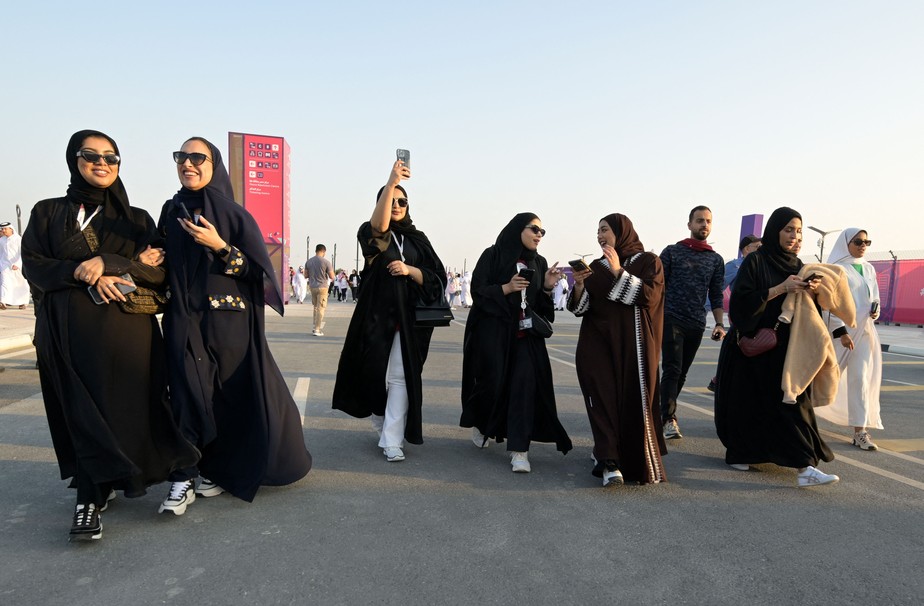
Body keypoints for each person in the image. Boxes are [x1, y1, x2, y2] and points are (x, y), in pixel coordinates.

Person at [21, 130, 198, 540]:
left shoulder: (136, 220)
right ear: (74, 159)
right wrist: (82, 275)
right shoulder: (47, 212)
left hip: (126, 335)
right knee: (80, 413)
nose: (102, 163)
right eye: (90, 155)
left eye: (111, 157)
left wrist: (113, 262)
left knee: (135, 409)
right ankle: (89, 496)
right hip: (65, 334)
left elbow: (159, 274)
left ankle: (162, 473)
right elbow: (35, 266)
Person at [157, 136, 311, 512]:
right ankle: (183, 477)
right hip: (183, 318)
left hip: (229, 324)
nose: (188, 164)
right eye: (182, 157)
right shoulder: (170, 210)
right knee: (185, 393)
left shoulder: (233, 214)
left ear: (214, 164)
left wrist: (220, 246)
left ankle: (217, 468)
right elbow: (161, 260)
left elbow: (257, 272)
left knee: (225, 397)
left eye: (197, 157)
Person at [714, 207, 839, 487]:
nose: (795, 237)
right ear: (774, 231)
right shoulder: (756, 261)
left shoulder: (798, 266)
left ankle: (805, 466)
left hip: (789, 349)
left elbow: (809, 310)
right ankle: (745, 451)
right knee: (750, 406)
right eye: (788, 230)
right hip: (755, 348)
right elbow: (740, 305)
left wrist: (812, 290)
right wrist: (782, 288)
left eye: (799, 231)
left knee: (792, 403)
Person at [332, 157, 446, 462]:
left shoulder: (418, 240)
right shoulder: (369, 232)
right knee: (373, 372)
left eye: (402, 201)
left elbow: (436, 278)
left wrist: (411, 271)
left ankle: (393, 439)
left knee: (400, 375)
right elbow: (378, 229)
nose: (397, 204)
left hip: (410, 320)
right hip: (375, 316)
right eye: (390, 199)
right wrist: (392, 179)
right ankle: (381, 416)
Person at [460, 213, 572, 473]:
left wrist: (545, 287)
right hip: (494, 336)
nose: (539, 235)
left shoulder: (540, 262)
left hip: (526, 338)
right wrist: (506, 288)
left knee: (524, 386)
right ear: (517, 229)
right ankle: (482, 422)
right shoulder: (494, 255)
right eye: (534, 229)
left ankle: (519, 450)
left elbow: (542, 308)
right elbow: (478, 291)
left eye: (543, 232)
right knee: (492, 385)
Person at [568, 214, 667, 486]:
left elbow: (650, 297)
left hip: (633, 347)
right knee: (601, 400)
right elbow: (580, 308)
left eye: (605, 230)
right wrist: (578, 284)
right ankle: (609, 461)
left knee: (630, 401)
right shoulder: (595, 267)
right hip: (595, 346)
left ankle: (622, 455)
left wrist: (617, 271)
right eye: (597, 231)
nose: (600, 236)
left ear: (622, 232)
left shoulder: (649, 261)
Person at [658, 206, 725, 439]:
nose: (704, 225)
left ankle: (659, 411)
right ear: (689, 225)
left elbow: (716, 295)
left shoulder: (715, 260)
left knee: (682, 373)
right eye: (699, 221)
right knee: (672, 369)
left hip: (696, 322)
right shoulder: (672, 252)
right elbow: (657, 286)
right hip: (670, 319)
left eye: (708, 221)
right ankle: (668, 418)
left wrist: (719, 324)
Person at [815, 228, 883, 450]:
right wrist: (841, 332)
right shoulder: (836, 269)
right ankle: (801, 419)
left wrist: (875, 312)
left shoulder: (869, 268)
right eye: (858, 241)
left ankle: (860, 431)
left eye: (867, 241)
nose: (863, 245)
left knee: (860, 379)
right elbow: (829, 304)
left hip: (864, 333)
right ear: (846, 243)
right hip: (841, 334)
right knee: (823, 377)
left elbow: (875, 299)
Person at [707, 235, 761, 392]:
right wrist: (706, 306)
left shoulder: (761, 265)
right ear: (746, 249)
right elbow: (718, 287)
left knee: (742, 348)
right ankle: (720, 380)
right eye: (757, 247)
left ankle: (719, 380)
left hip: (756, 314)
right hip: (739, 314)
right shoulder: (735, 266)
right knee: (739, 346)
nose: (760, 250)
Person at [306, 244, 335, 335]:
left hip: (312, 286)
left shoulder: (309, 262)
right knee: (321, 308)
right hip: (322, 287)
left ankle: (315, 325)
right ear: (323, 251)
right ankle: (317, 329)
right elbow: (332, 276)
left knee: (315, 307)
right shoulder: (326, 262)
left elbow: (305, 275)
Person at [0, 222, 30, 309]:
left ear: (11, 229)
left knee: (21, 283)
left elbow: (22, 253)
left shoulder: (18, 239)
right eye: (2, 229)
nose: (3, 231)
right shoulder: (2, 240)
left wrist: (18, 263)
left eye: (5, 229)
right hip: (5, 265)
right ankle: (3, 301)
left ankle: (23, 302)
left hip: (18, 265)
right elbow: (1, 253)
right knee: (4, 282)